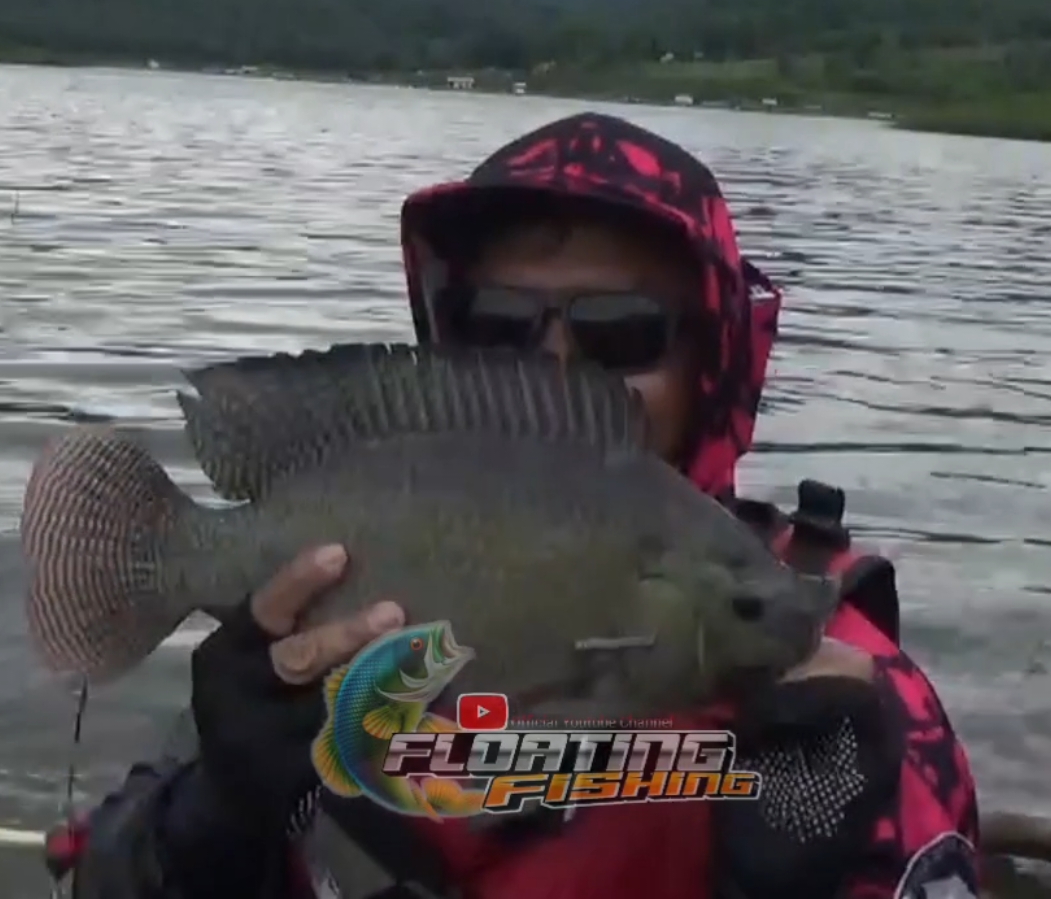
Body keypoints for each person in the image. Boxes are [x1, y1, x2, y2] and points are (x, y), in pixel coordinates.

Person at [62, 111, 980, 899]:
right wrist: (210, 818)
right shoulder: (294, 649)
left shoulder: (838, 695)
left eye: (619, 333)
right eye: (494, 329)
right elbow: (105, 875)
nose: (553, 371)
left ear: (715, 364)